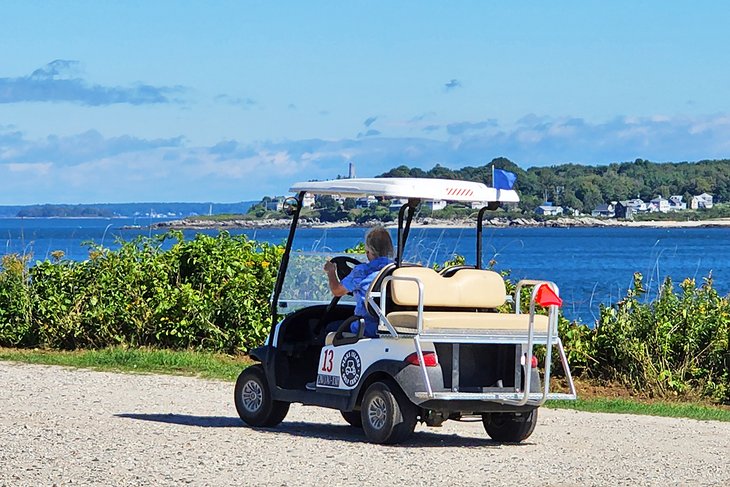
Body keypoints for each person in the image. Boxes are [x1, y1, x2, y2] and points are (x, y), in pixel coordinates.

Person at [323, 226, 394, 338]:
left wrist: (331, 272)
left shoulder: (362, 272)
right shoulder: (395, 270)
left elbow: (337, 291)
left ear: (368, 250)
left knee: (328, 328)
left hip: (366, 327)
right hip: (390, 326)